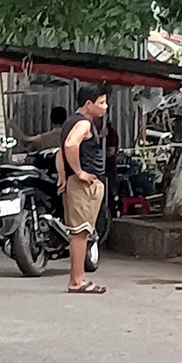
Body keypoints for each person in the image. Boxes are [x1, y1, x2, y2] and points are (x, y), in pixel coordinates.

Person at [57, 84, 109, 295]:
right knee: (81, 233)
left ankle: (79, 279)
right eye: (101, 103)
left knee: (80, 232)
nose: (105, 107)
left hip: (74, 183)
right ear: (89, 104)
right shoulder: (84, 124)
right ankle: (77, 281)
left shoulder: (70, 122)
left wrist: (63, 175)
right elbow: (70, 146)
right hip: (83, 185)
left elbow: (59, 152)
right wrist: (78, 173)